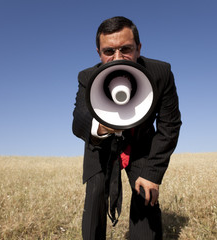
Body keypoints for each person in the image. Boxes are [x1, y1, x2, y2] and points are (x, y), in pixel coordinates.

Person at [72, 16, 182, 240]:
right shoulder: (87, 77)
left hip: (141, 144)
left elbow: (169, 124)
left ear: (139, 48)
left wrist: (152, 173)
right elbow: (78, 121)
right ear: (99, 53)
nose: (118, 57)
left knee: (146, 197)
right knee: (95, 199)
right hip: (100, 145)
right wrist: (102, 127)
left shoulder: (161, 73)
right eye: (109, 51)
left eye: (126, 49)